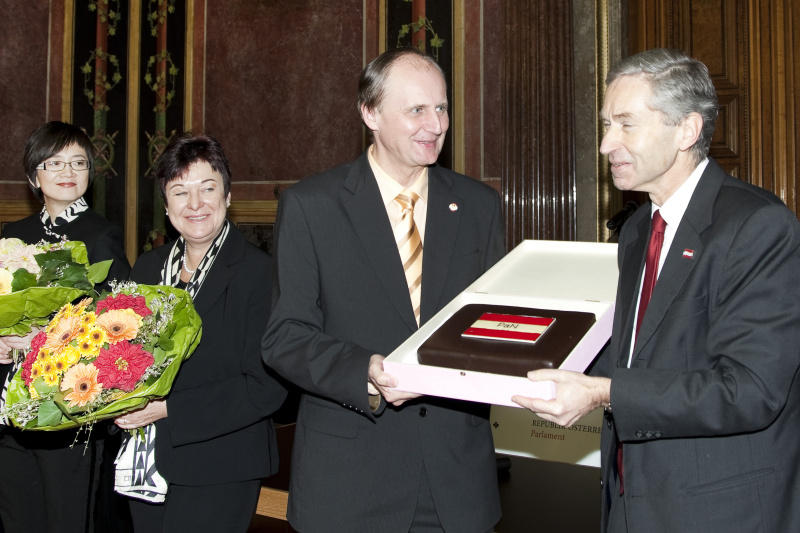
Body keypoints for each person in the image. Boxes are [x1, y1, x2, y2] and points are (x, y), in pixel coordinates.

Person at [513, 48, 800, 531]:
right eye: (606, 124)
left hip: (720, 510)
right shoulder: (637, 231)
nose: (606, 144)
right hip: (631, 501)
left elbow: (749, 390)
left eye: (626, 124)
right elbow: (639, 358)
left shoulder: (757, 226)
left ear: (686, 130)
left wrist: (603, 392)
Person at [262, 47, 505, 533]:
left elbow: (491, 325)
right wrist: (366, 373)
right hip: (350, 483)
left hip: (457, 484)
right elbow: (285, 336)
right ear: (370, 113)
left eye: (442, 108)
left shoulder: (479, 206)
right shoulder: (312, 206)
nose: (435, 125)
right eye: (417, 110)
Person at [115, 133, 287, 531]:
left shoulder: (259, 273)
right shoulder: (147, 268)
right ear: (166, 205)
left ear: (228, 196)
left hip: (221, 464)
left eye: (208, 189)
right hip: (146, 460)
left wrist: (168, 408)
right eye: (180, 192)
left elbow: (266, 386)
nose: (195, 205)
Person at [0, 121, 131, 533]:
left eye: (78, 162)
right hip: (11, 408)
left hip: (67, 409)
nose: (67, 172)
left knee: (67, 522)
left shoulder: (101, 234)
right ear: (33, 175)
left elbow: (119, 325)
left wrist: (44, 340)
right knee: (17, 519)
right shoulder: (13, 235)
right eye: (54, 163)